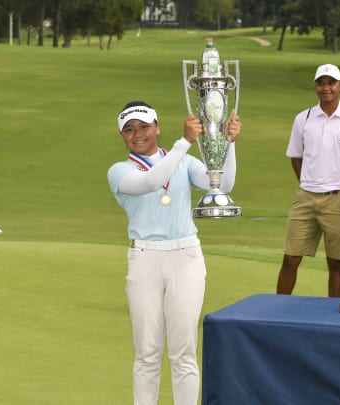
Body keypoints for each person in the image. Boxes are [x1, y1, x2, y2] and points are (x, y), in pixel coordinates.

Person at [107, 101, 241, 405]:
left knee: (184, 352)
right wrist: (184, 142)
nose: (137, 134)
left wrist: (229, 144)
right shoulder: (120, 171)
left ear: (157, 128)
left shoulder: (185, 161)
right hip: (144, 259)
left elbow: (221, 184)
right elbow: (151, 181)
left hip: (186, 257)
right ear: (122, 136)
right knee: (147, 353)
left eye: (144, 126)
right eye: (129, 129)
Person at [276, 63, 340, 297]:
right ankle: (277, 310)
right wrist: (307, 182)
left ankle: (333, 315)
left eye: (331, 83)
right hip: (305, 198)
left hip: (338, 199)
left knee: (336, 263)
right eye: (321, 83)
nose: (326, 88)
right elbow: (296, 157)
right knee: (290, 259)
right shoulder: (303, 118)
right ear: (316, 86)